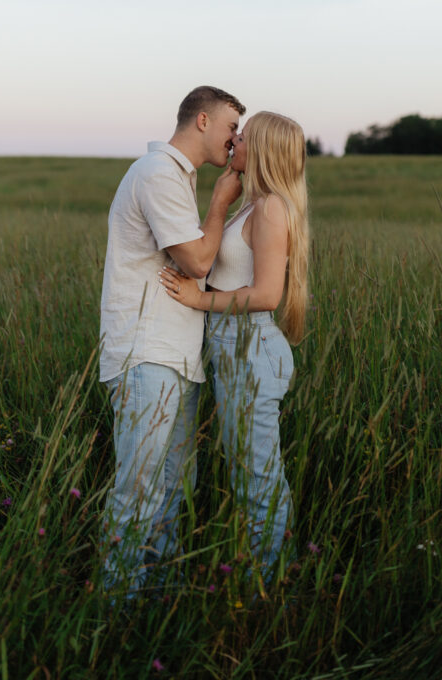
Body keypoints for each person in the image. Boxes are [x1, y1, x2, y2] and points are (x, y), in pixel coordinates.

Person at [99, 85, 245, 593]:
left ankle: (155, 611)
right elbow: (198, 261)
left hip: (176, 358)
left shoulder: (176, 179)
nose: (235, 140)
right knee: (139, 492)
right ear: (201, 120)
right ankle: (116, 614)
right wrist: (222, 200)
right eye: (230, 127)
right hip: (147, 356)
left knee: (171, 493)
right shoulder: (159, 174)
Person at [160, 111, 309, 577]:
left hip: (252, 349)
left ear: (261, 150)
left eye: (242, 136)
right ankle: (266, 571)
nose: (234, 140)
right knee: (248, 471)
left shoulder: (271, 209)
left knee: (257, 476)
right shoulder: (253, 204)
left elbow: (267, 294)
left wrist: (199, 300)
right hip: (235, 351)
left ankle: (268, 581)